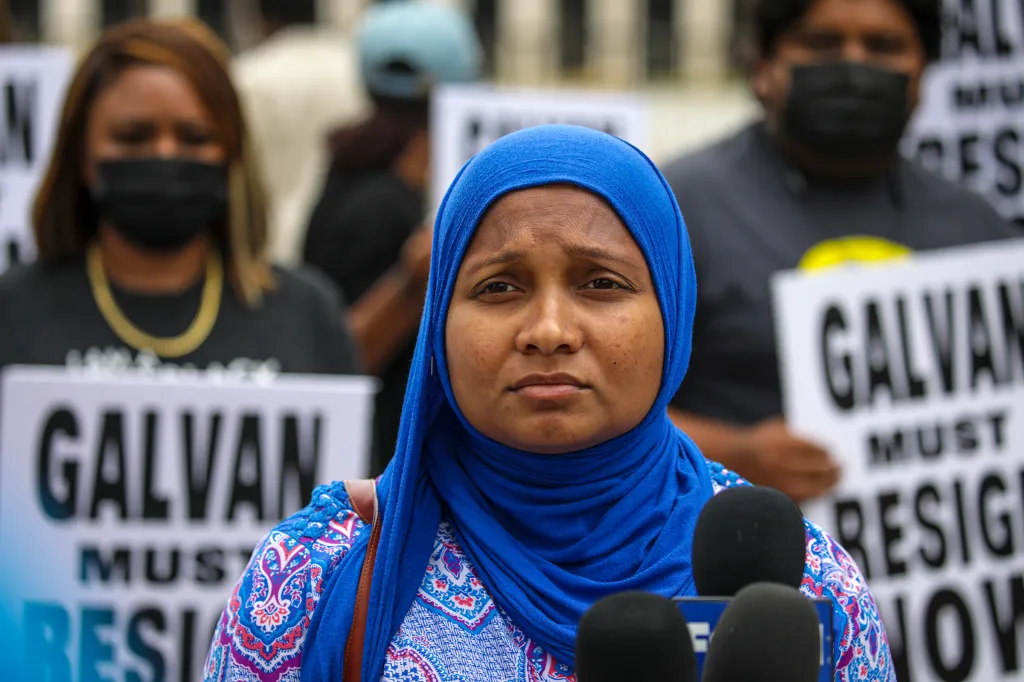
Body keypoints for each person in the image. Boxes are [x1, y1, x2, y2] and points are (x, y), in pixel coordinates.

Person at [205, 125, 894, 682]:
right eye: (500, 288)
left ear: (674, 313)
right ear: (439, 321)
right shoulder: (313, 574)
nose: (549, 332)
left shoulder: (804, 585)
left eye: (600, 283)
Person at [661, 0, 1019, 503]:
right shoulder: (670, 213)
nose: (855, 65)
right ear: (763, 67)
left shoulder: (980, 233)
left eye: (884, 46)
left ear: (924, 73)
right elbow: (590, 403)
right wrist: (732, 455)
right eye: (822, 44)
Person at [0, 19, 359, 378]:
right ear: (81, 154)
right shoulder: (13, 311)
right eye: (133, 136)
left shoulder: (306, 314)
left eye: (195, 137)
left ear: (231, 152)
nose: (165, 153)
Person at [303, 0, 481, 476]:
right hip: (375, 461)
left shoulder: (351, 173)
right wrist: (412, 281)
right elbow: (341, 356)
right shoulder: (388, 206)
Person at [232, 0, 367, 267]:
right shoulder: (355, 68)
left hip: (269, 243)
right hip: (344, 238)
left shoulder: (247, 75)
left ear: (263, 16)